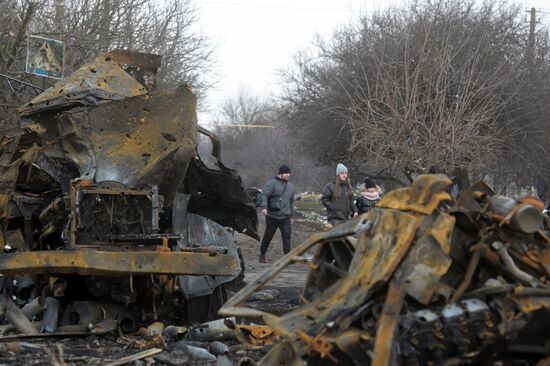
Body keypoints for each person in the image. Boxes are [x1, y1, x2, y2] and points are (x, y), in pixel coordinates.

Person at [258, 165, 295, 263]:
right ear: (281, 173)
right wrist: (264, 207)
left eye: (289, 173)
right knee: (268, 236)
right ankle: (262, 254)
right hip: (272, 216)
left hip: (285, 216)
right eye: (286, 173)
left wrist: (291, 215)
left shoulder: (290, 186)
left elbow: (291, 202)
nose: (288, 175)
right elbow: (264, 195)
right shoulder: (272, 183)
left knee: (287, 236)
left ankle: (287, 258)